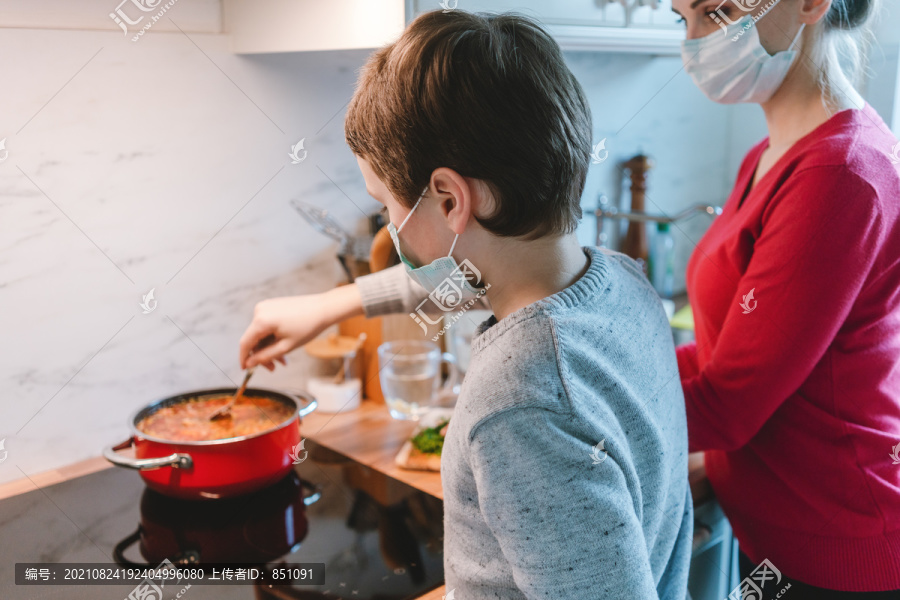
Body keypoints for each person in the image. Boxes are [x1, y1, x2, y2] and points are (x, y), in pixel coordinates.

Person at [240, 10, 692, 599]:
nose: (387, 223)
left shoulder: (522, 402)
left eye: (385, 206)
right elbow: (468, 273)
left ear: (450, 198)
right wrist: (332, 305)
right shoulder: (619, 280)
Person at [671, 0, 900, 596]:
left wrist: (573, 405)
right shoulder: (770, 154)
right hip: (776, 533)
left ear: (809, 4)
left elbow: (729, 406)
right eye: (683, 19)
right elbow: (723, 351)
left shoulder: (841, 173)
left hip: (841, 549)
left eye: (715, 13)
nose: (694, 42)